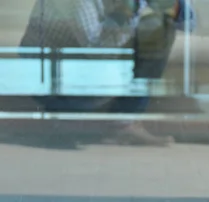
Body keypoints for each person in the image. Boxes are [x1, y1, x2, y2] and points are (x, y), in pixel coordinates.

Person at [19, 0, 196, 146]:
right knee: (109, 71)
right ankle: (63, 119)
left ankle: (123, 124)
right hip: (51, 77)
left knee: (159, 27)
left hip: (89, 62)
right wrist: (127, 11)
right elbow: (94, 50)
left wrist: (173, 7)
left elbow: (189, 23)